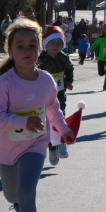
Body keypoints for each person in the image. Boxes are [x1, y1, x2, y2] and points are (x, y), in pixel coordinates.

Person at [0, 19, 75, 212]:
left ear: (40, 49)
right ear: (11, 52)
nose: (27, 51)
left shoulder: (46, 80)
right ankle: (21, 209)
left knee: (27, 191)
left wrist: (64, 129)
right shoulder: (6, 83)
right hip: (7, 149)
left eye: (32, 46)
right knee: (12, 195)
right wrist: (23, 122)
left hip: (36, 144)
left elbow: (53, 109)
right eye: (20, 46)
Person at [37, 25, 74, 165]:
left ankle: (63, 143)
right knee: (48, 123)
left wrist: (69, 81)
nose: (56, 46)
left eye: (59, 43)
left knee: (60, 117)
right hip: (43, 97)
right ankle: (52, 148)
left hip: (60, 95)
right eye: (53, 43)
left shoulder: (64, 58)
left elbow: (70, 69)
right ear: (46, 43)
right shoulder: (40, 58)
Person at [89, 21, 106, 91]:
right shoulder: (100, 38)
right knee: (101, 73)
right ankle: (105, 72)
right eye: (105, 28)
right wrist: (92, 48)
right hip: (101, 58)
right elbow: (95, 44)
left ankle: (105, 85)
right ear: (103, 29)